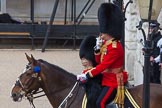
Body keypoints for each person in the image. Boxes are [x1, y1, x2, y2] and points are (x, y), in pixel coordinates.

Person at [77, 3, 128, 108]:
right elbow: (98, 61)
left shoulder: (115, 47)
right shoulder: (106, 45)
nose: (101, 34)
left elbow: (102, 66)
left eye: (103, 31)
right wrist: (97, 49)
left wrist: (87, 75)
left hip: (113, 81)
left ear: (109, 31)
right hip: (106, 78)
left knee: (100, 103)